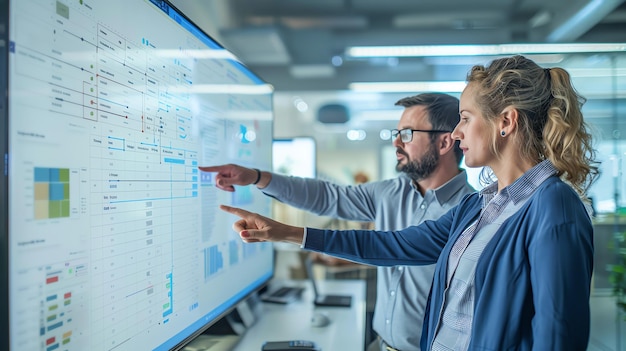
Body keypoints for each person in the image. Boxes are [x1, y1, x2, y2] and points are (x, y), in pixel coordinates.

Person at [218, 55, 600, 350]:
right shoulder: (481, 207)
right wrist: (287, 233)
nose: (457, 131)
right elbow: (392, 244)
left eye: (465, 119)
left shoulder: (553, 207)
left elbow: (557, 335)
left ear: (506, 122)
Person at [200, 92, 474, 351]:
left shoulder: (470, 212)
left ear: (444, 142)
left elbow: (390, 248)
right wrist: (258, 177)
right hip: (380, 344)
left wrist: (289, 233)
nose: (396, 143)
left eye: (407, 134)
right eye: (396, 133)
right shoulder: (391, 192)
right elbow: (328, 196)